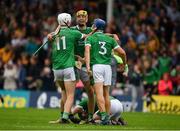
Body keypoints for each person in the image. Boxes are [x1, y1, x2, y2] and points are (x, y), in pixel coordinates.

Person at [85, 18, 127, 125]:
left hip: (97, 66)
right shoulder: (110, 39)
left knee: (98, 93)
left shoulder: (90, 38)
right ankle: (107, 117)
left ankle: (104, 116)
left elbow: (87, 52)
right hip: (107, 67)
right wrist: (124, 63)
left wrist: (88, 67)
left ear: (95, 26)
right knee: (106, 94)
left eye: (93, 25)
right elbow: (123, 53)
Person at [71, 10, 95, 122]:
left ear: (87, 18)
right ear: (76, 18)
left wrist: (87, 60)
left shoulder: (92, 30)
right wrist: (78, 58)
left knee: (90, 91)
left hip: (87, 66)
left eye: (83, 16)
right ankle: (65, 115)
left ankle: (90, 117)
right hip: (74, 64)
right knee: (68, 91)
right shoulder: (71, 30)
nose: (81, 18)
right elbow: (67, 49)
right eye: (79, 16)